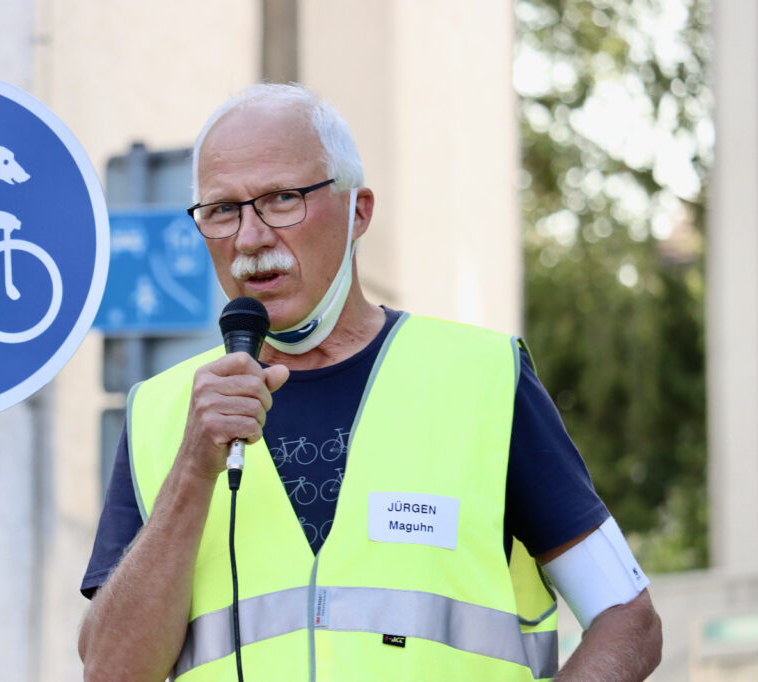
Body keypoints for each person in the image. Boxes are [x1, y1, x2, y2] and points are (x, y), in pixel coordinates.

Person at [78, 83, 662, 681]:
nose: (249, 238)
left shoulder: (481, 379)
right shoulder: (162, 412)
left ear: (358, 211)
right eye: (222, 210)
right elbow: (110, 673)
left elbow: (628, 620)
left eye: (281, 198)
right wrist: (193, 469)